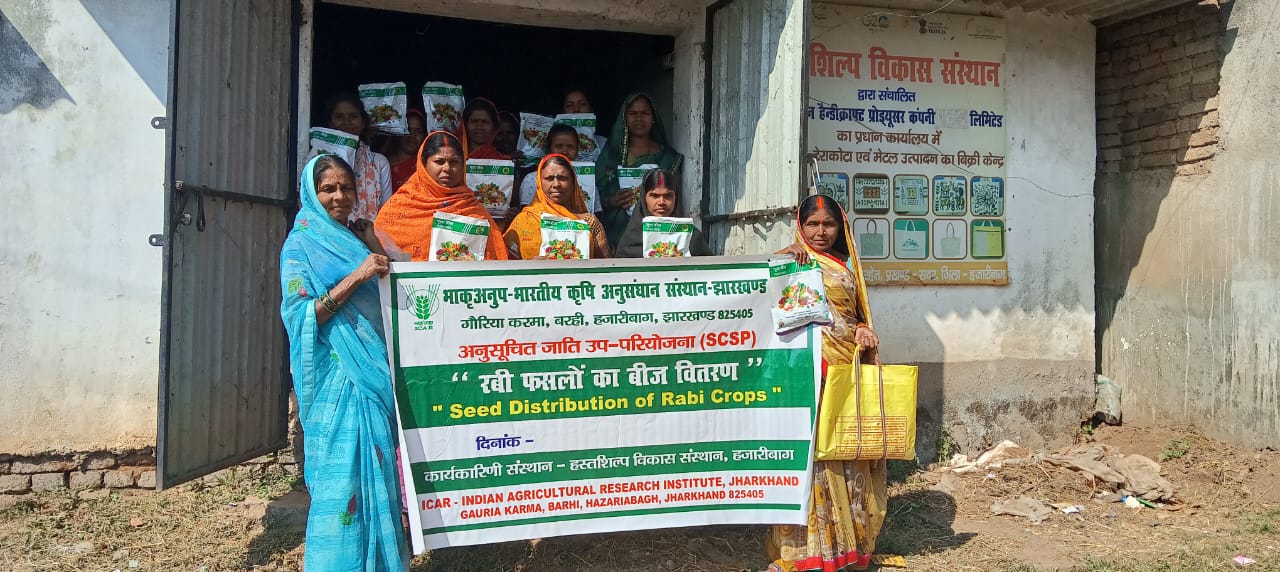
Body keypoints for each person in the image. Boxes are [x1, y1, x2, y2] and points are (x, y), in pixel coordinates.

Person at [279, 154, 409, 572]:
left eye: (346, 188)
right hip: (338, 377)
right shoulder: (300, 246)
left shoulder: (355, 238)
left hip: (372, 372)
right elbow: (300, 316)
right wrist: (356, 276)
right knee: (341, 484)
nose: (339, 196)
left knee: (378, 470)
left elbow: (398, 285)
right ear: (311, 193)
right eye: (328, 189)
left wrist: (371, 242)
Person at [767, 194, 886, 572]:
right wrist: (780, 261)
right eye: (812, 224)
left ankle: (850, 547)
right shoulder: (789, 261)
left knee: (846, 455)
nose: (820, 232)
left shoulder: (848, 265)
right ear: (800, 226)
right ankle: (802, 553)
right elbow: (765, 307)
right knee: (809, 460)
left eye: (828, 224)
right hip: (805, 373)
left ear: (841, 228)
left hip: (844, 373)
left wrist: (864, 328)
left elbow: (857, 313)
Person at [375, 131, 510, 261]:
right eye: (439, 162)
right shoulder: (399, 207)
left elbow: (495, 257)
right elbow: (380, 255)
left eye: (454, 162)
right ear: (423, 164)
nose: (447, 168)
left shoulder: (473, 208)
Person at [596, 93, 684, 247]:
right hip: (618, 234)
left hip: (658, 232)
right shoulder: (611, 155)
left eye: (645, 113)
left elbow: (675, 199)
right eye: (633, 113)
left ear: (653, 118)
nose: (639, 119)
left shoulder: (668, 157)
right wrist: (613, 200)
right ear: (624, 118)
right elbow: (595, 196)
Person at [504, 154, 610, 260]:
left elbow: (607, 264)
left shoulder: (588, 222)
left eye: (562, 178)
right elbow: (506, 260)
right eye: (549, 178)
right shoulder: (525, 220)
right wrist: (530, 264)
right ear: (539, 183)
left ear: (573, 183)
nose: (556, 184)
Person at [325, 93, 393, 220]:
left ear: (363, 123)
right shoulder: (320, 159)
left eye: (353, 116)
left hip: (368, 231)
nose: (346, 122)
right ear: (330, 123)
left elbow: (386, 212)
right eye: (339, 117)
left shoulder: (379, 162)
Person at [615, 167, 708, 258]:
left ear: (676, 197)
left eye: (668, 196)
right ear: (644, 198)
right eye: (654, 196)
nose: (661, 202)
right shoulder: (631, 240)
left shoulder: (691, 236)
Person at [518, 124, 580, 207]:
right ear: (549, 149)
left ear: (577, 151)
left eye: (570, 147)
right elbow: (528, 212)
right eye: (559, 146)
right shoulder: (532, 179)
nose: (564, 151)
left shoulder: (588, 178)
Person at [383, 109, 427, 191]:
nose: (412, 136)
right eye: (408, 130)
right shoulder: (382, 165)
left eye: (418, 131)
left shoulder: (427, 166)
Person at [561, 87, 607, 158]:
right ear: (562, 113)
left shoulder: (604, 144)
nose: (576, 109)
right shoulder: (554, 145)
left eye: (582, 104)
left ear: (591, 110)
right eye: (569, 105)